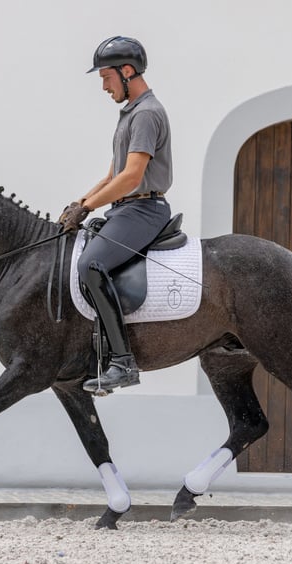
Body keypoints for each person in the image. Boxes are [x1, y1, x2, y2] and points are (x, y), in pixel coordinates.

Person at [58, 36, 173, 393]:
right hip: (128, 206)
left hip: (144, 208)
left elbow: (131, 176)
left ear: (127, 72)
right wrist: (79, 202)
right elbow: (112, 175)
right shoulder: (130, 115)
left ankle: (122, 362)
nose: (104, 87)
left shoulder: (148, 114)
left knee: (91, 266)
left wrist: (89, 207)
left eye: (106, 78)